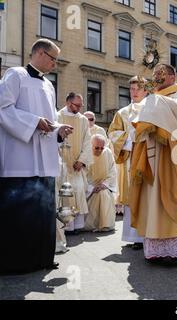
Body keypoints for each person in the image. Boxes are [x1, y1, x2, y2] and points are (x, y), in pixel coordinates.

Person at [0, 39, 73, 273]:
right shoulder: (15, 75)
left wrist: (58, 130)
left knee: (43, 210)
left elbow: (49, 120)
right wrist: (33, 123)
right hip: (20, 158)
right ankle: (18, 262)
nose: (54, 63)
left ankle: (42, 258)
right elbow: (3, 109)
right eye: (53, 58)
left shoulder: (49, 86)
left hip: (45, 159)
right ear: (40, 53)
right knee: (21, 212)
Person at [129, 64, 177, 265]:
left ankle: (176, 251)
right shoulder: (152, 97)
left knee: (175, 196)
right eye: (155, 75)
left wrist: (156, 105)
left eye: (161, 75)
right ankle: (155, 250)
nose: (157, 79)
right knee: (152, 200)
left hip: (174, 156)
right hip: (153, 154)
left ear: (173, 76)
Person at [108, 76, 147, 249]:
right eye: (131, 89)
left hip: (149, 160)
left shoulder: (152, 109)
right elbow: (113, 134)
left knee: (148, 196)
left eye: (138, 89)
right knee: (133, 196)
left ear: (146, 90)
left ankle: (150, 234)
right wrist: (130, 141)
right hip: (131, 159)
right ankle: (135, 236)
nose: (134, 92)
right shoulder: (122, 113)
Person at [57, 93, 93, 234]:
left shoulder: (83, 120)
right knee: (65, 195)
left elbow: (87, 141)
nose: (79, 108)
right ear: (68, 103)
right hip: (63, 164)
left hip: (77, 165)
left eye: (81, 105)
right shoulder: (58, 117)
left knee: (78, 192)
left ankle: (76, 226)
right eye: (77, 105)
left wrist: (81, 160)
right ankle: (66, 227)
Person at [84, 135, 117, 232]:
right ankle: (96, 223)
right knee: (98, 195)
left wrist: (104, 184)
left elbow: (113, 171)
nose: (99, 150)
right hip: (90, 189)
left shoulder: (108, 153)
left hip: (103, 186)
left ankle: (105, 224)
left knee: (103, 194)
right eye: (96, 148)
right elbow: (82, 174)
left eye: (102, 148)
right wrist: (91, 188)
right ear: (91, 145)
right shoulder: (86, 154)